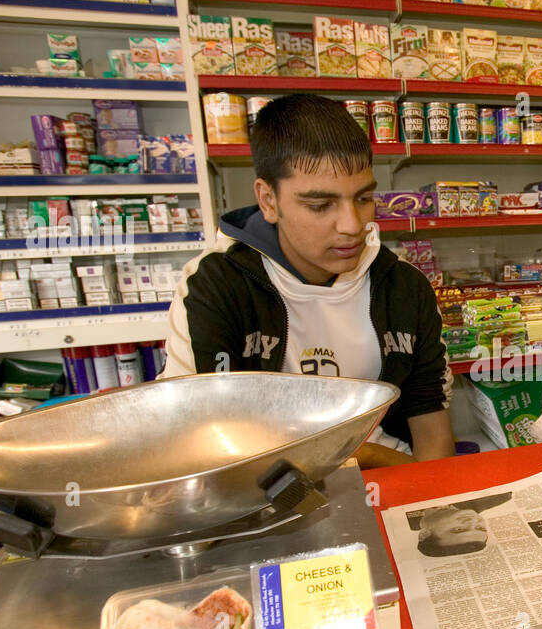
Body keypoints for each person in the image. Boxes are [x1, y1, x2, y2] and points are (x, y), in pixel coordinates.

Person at [161, 93, 454, 467]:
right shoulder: (216, 285)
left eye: (363, 198)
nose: (352, 226)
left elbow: (432, 434)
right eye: (319, 206)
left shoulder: (404, 287)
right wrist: (361, 456)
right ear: (268, 201)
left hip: (391, 478)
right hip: (262, 494)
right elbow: (206, 445)